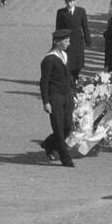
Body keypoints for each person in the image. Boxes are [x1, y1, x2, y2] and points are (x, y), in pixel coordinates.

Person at [39, 29, 76, 168]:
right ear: (57, 42)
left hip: (67, 96)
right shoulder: (49, 59)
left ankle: (48, 144)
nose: (68, 43)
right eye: (66, 41)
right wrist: (46, 101)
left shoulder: (64, 56)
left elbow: (69, 77)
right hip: (55, 98)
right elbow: (44, 82)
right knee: (59, 128)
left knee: (67, 127)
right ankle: (65, 159)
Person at [55, 0, 91, 79]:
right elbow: (58, 29)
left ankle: (75, 77)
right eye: (67, 1)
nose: (69, 3)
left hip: (77, 41)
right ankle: (69, 79)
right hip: (66, 41)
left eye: (71, 1)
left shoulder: (81, 11)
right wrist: (55, 43)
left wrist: (88, 40)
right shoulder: (61, 12)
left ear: (74, 1)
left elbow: (85, 26)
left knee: (78, 63)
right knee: (68, 62)